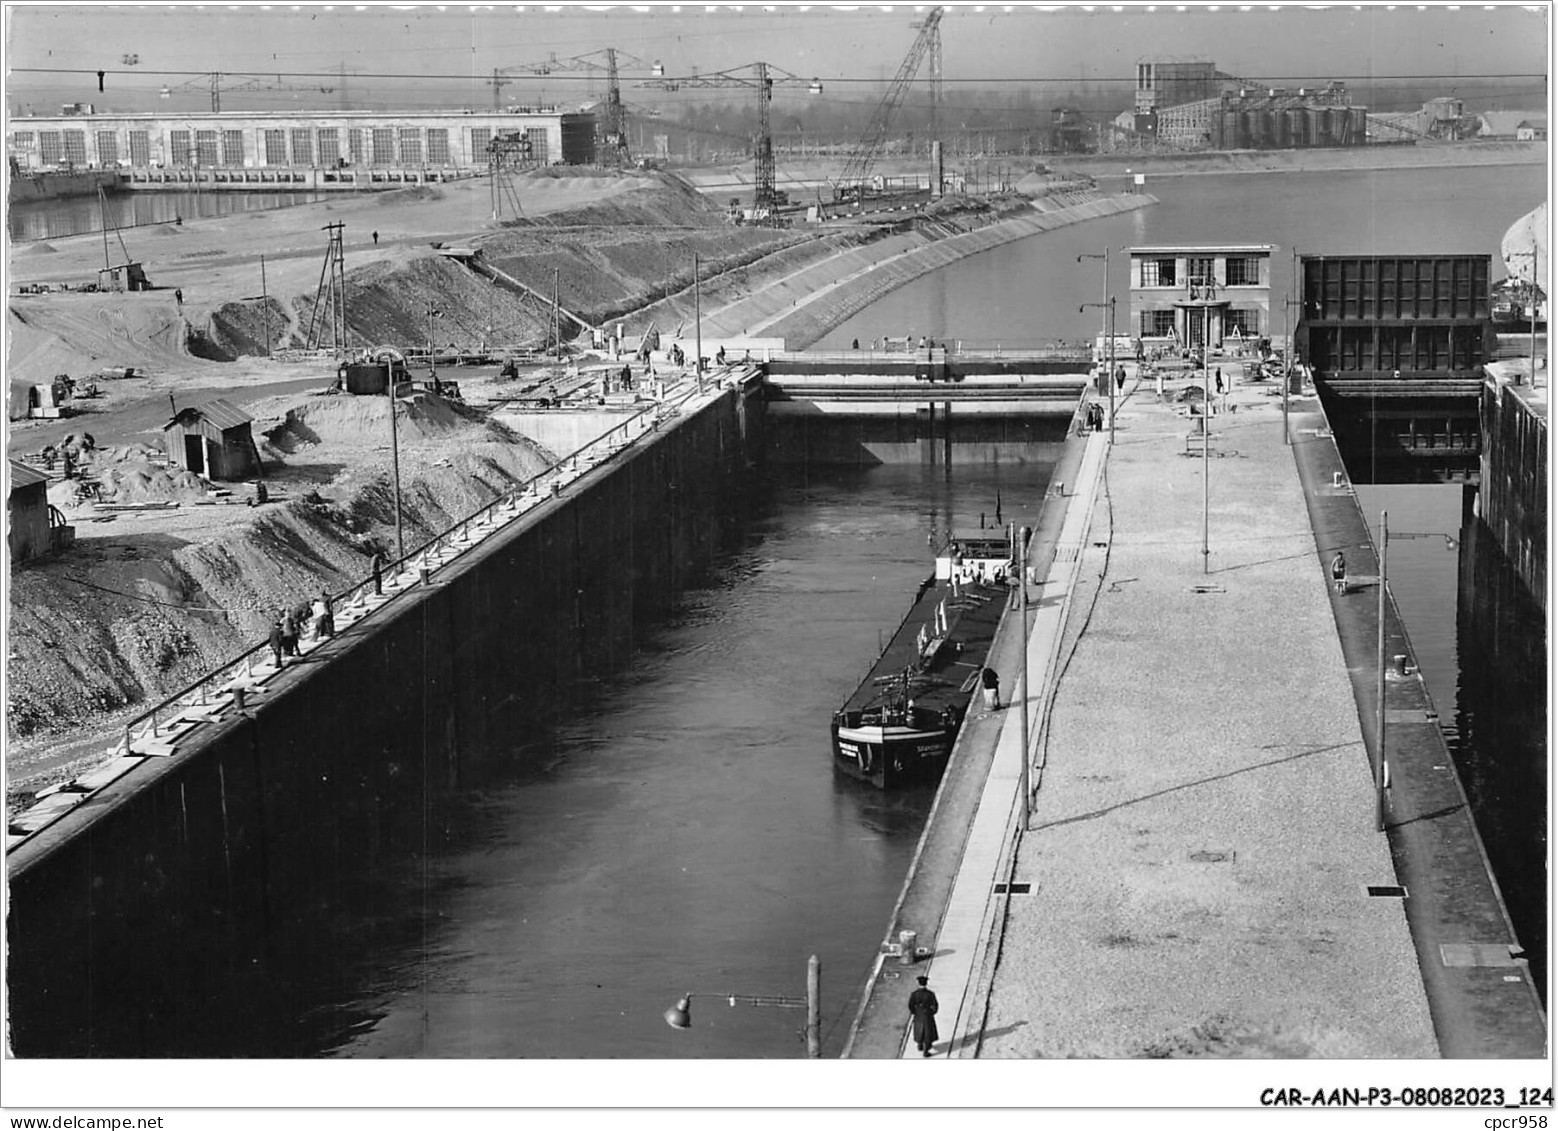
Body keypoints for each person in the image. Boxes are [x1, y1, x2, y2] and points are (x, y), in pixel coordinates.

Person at [908, 976, 939, 1057]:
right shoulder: (930, 994)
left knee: (919, 1030)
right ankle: (926, 1051)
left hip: (918, 1014)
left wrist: (914, 1012)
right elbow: (935, 1005)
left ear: (918, 983)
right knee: (927, 1033)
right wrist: (932, 1012)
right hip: (927, 1014)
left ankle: (920, 1045)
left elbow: (910, 1005)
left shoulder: (914, 994)